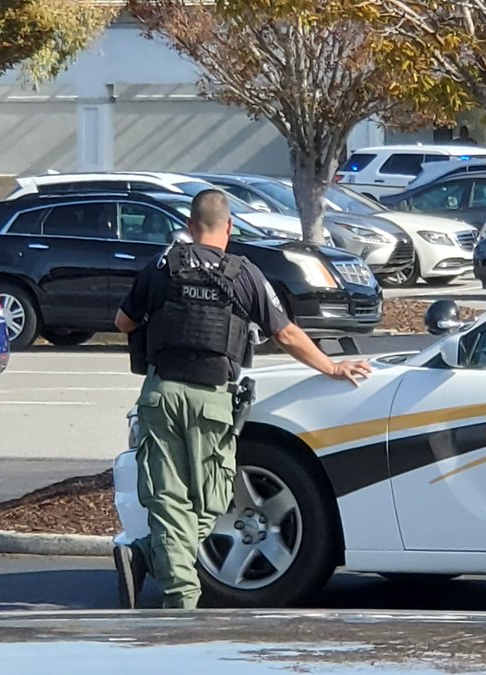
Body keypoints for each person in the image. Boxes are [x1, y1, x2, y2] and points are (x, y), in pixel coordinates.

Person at [113, 189, 372, 609]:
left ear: (189, 227)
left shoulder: (160, 267)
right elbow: (285, 332)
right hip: (212, 399)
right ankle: (181, 603)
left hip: (162, 395)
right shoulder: (243, 273)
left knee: (171, 499)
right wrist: (332, 367)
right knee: (212, 500)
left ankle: (147, 552)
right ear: (228, 228)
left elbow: (123, 321)